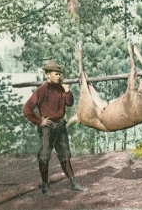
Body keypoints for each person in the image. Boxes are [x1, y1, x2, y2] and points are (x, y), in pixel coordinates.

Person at [23, 61, 88, 196]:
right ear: (48, 75)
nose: (59, 76)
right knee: (44, 156)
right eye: (56, 74)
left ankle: (73, 183)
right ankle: (45, 186)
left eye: (59, 74)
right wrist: (39, 121)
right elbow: (27, 109)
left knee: (65, 155)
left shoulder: (61, 88)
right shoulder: (42, 90)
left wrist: (67, 91)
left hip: (60, 125)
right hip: (47, 127)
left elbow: (69, 103)